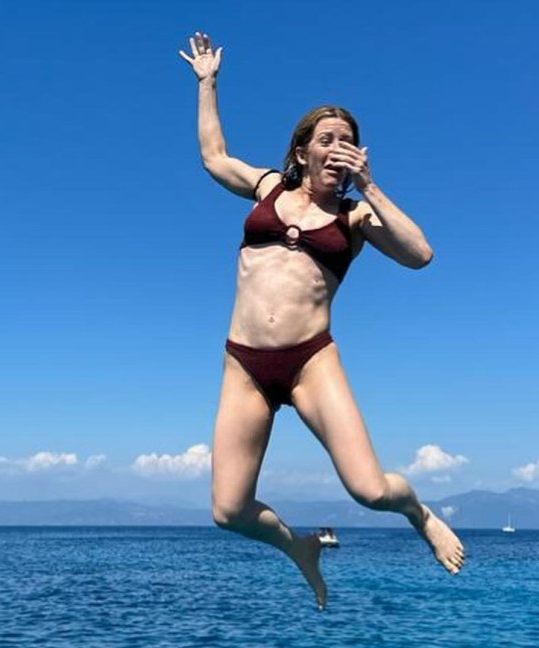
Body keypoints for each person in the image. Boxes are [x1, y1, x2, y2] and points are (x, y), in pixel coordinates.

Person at [179, 32, 465, 609]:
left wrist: (371, 185)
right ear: (302, 150)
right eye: (328, 139)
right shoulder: (267, 187)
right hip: (245, 364)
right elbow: (214, 156)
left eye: (350, 143)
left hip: (310, 360)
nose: (339, 148)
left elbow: (420, 254)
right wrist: (208, 83)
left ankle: (417, 511)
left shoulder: (356, 217)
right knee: (228, 510)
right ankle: (298, 550)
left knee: (369, 489)